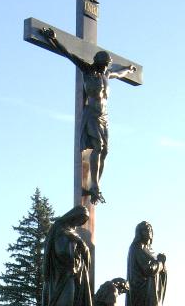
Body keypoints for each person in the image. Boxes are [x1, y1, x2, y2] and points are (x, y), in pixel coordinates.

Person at [40, 26, 135, 204]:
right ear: (98, 62)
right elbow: (69, 54)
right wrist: (53, 39)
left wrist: (128, 69)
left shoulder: (107, 74)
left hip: (104, 116)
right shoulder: (87, 70)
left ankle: (96, 184)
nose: (107, 66)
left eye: (108, 64)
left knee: (105, 151)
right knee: (98, 147)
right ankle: (94, 186)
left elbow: (119, 73)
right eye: (105, 63)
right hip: (91, 113)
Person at [31, 205, 92, 306]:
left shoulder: (72, 233)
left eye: (82, 221)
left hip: (73, 276)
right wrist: (76, 243)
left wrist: (81, 246)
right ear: (73, 216)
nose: (79, 223)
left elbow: (84, 257)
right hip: (61, 278)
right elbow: (62, 252)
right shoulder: (60, 229)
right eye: (79, 219)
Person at [124, 222, 167, 306]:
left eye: (150, 229)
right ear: (139, 233)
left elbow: (158, 272)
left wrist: (162, 267)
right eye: (144, 230)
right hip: (141, 293)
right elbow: (148, 269)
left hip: (153, 293)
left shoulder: (151, 251)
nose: (148, 232)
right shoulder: (137, 247)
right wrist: (160, 263)